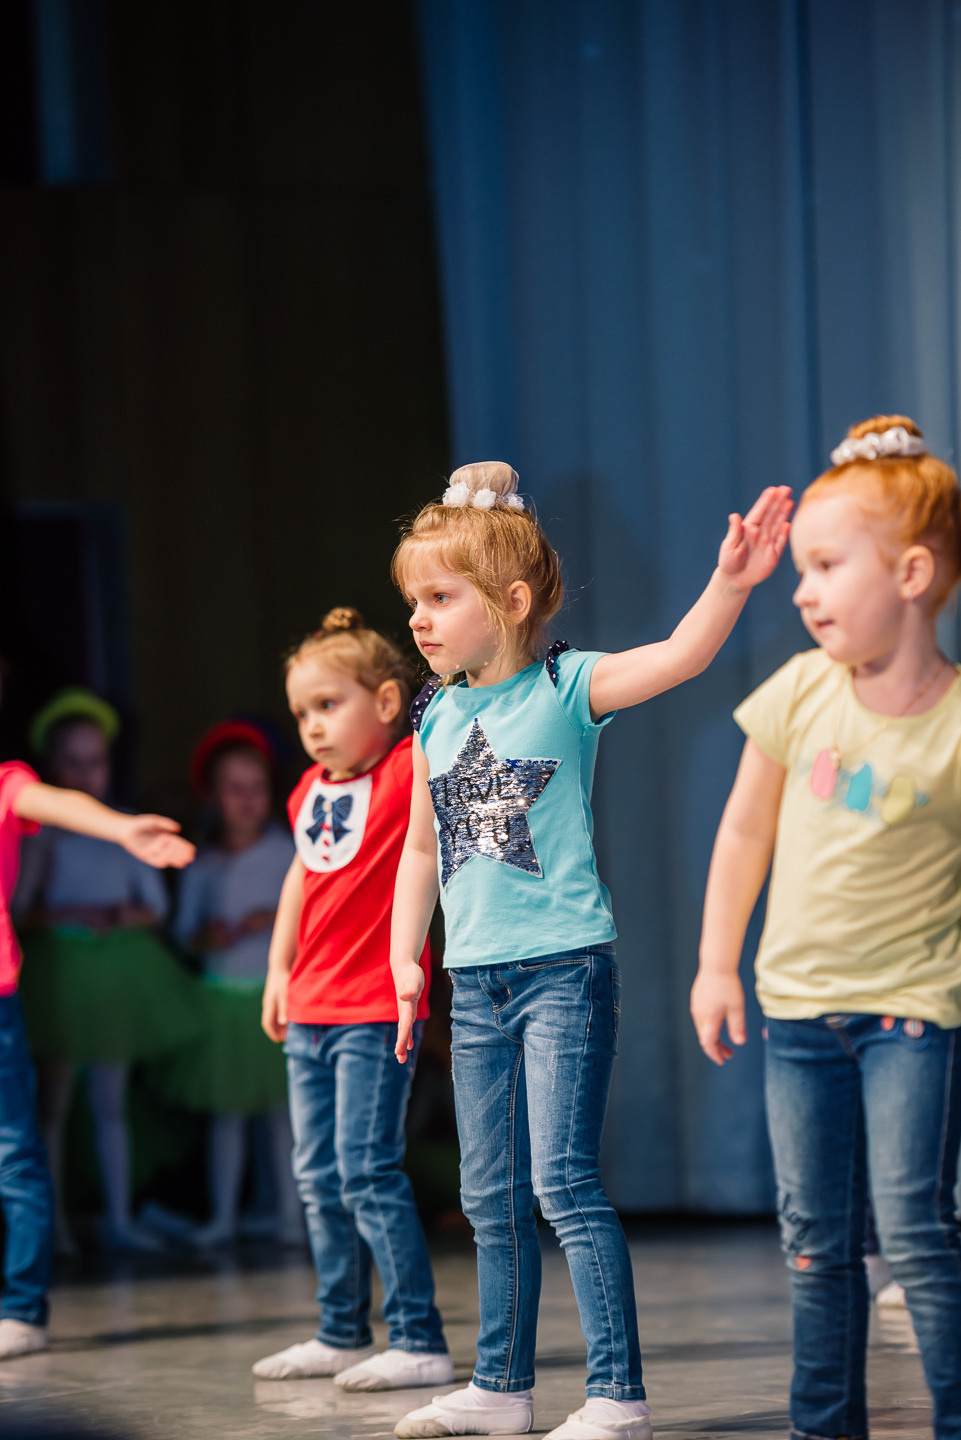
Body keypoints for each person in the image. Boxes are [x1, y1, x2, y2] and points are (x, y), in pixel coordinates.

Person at [389, 463, 792, 1440]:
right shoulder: (434, 714)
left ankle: (616, 1394)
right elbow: (422, 848)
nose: (419, 619)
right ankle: (499, 1386)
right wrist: (407, 959)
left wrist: (730, 582)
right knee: (486, 1195)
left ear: (511, 602)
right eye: (413, 601)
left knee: (562, 1183)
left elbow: (679, 657)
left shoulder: (566, 685)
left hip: (563, 972)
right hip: (473, 983)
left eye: (440, 598)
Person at [690, 416, 961, 1440]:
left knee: (917, 1233)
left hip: (912, 1018)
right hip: (799, 1017)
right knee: (814, 1243)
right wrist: (716, 965)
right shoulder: (800, 691)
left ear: (911, 574)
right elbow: (742, 832)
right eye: (799, 569)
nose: (802, 592)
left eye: (826, 566)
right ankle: (823, 1429)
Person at [253, 607, 453, 1392]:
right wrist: (278, 968)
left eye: (329, 704)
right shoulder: (309, 787)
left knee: (368, 1171)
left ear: (386, 702)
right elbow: (301, 877)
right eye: (301, 710)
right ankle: (339, 1330)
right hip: (310, 1008)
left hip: (371, 1008)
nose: (312, 725)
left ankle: (417, 1337)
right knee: (316, 1175)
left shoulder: (406, 768)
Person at [0, 676, 194, 1359]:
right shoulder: (45, 839)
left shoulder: (16, 789)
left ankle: (32, 1295)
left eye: (95, 760)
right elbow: (31, 902)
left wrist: (120, 830)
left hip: (76, 982)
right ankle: (57, 1236)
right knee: (47, 1113)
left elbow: (50, 803)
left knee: (32, 1136)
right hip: (63, 973)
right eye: (73, 761)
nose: (85, 771)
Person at [156, 721, 299, 1247]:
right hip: (219, 1004)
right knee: (227, 1120)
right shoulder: (202, 865)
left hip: (273, 1000)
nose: (247, 799)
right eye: (234, 789)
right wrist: (205, 937)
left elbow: (311, 919)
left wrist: (276, 919)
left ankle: (289, 1217)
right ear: (213, 797)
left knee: (282, 1119)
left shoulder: (287, 851)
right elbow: (181, 933)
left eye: (256, 787)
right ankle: (223, 1218)